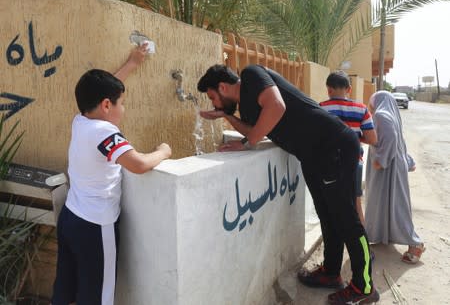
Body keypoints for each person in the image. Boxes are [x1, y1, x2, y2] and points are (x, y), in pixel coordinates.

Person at [197, 64, 379, 304]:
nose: (214, 103)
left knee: (346, 220)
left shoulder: (251, 75)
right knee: (328, 215)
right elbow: (255, 130)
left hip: (333, 146)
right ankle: (331, 273)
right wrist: (226, 115)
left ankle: (364, 286)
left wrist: (246, 143)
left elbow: (276, 106)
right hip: (313, 156)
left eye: (213, 98)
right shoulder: (247, 106)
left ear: (222, 87)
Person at [52, 44, 172, 305]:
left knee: (66, 288)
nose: (124, 109)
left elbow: (100, 93)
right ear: (107, 105)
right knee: (97, 296)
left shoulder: (81, 120)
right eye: (123, 103)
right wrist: (163, 151)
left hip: (71, 217)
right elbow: (138, 164)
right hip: (95, 227)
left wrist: (132, 64)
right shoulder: (105, 133)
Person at [364, 90, 425, 264]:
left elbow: (391, 138)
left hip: (387, 168)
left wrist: (381, 160)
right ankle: (383, 234)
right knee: (387, 203)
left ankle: (416, 244)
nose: (371, 106)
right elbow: (399, 141)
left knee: (396, 205)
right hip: (393, 166)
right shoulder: (391, 115)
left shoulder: (381, 115)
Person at [319, 71, 377, 229]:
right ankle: (361, 247)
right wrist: (356, 138)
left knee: (330, 206)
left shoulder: (320, 109)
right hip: (353, 164)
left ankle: (336, 242)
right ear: (349, 89)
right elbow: (372, 139)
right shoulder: (361, 109)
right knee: (356, 205)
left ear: (328, 89)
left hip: (329, 165)